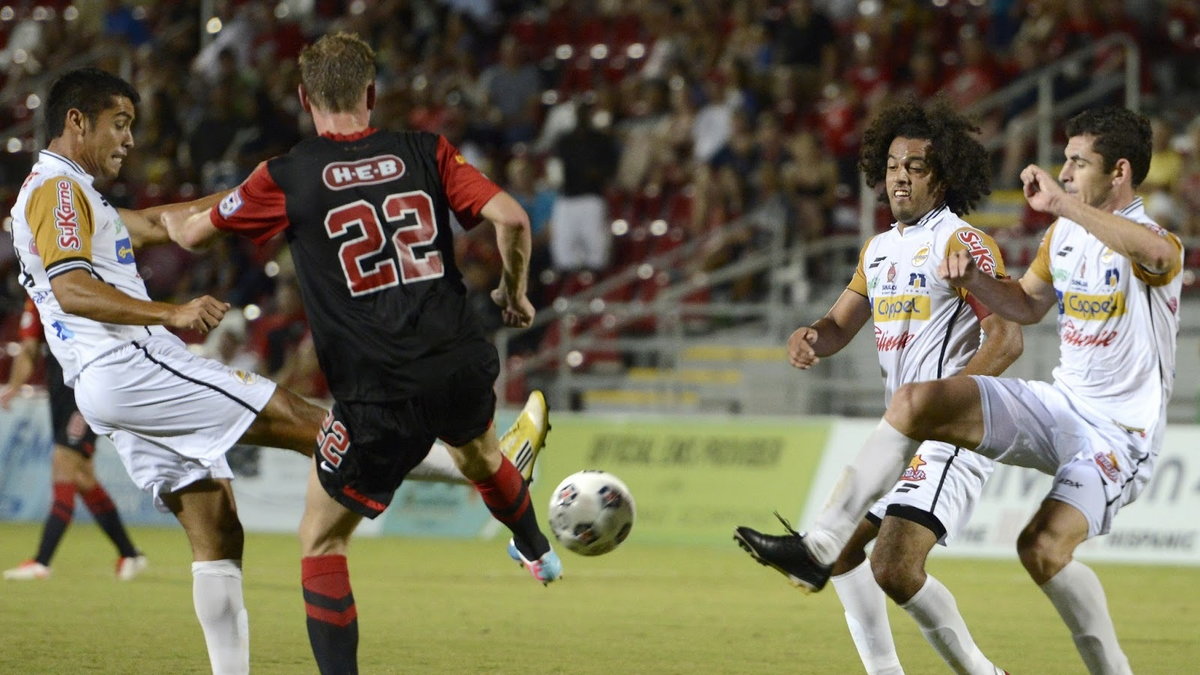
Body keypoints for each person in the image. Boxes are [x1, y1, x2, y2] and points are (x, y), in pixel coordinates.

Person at [13, 66, 552, 675]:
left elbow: (168, 222)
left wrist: (285, 189)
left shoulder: (78, 198)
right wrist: (172, 311)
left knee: (216, 532)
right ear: (75, 122)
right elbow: (75, 288)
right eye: (119, 124)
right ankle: (481, 468)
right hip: (134, 365)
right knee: (306, 421)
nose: (129, 139)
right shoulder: (57, 191)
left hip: (108, 386)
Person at [166, 33, 561, 674]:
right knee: (481, 455)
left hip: (377, 390)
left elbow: (190, 235)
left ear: (303, 98)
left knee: (320, 537)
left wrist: (141, 218)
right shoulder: (424, 149)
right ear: (372, 94)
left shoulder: (287, 175)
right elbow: (512, 217)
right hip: (460, 360)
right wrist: (513, 295)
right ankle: (537, 548)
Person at [737, 106, 1181, 675]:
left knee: (1029, 551)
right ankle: (824, 554)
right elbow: (1024, 305)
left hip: (1118, 432)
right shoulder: (1057, 239)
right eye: (1064, 161)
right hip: (1056, 403)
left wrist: (1059, 206)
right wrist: (972, 283)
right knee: (909, 418)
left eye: (1076, 162)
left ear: (1119, 172)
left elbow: (1155, 258)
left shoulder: (1144, 237)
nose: (1064, 173)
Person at [735, 98, 1022, 675]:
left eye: (915, 167)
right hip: (901, 434)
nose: (899, 176)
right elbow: (840, 324)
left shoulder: (961, 244)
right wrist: (810, 335)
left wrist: (950, 400)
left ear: (942, 178)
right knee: (839, 554)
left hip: (950, 436)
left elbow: (1007, 340)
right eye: (892, 164)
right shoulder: (880, 249)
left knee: (893, 568)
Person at [2, 297, 146, 581]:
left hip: (87, 390)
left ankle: (42, 562)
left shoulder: (71, 288)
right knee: (82, 477)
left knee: (64, 463)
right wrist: (15, 387)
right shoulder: (46, 295)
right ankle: (130, 554)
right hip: (61, 394)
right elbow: (30, 346)